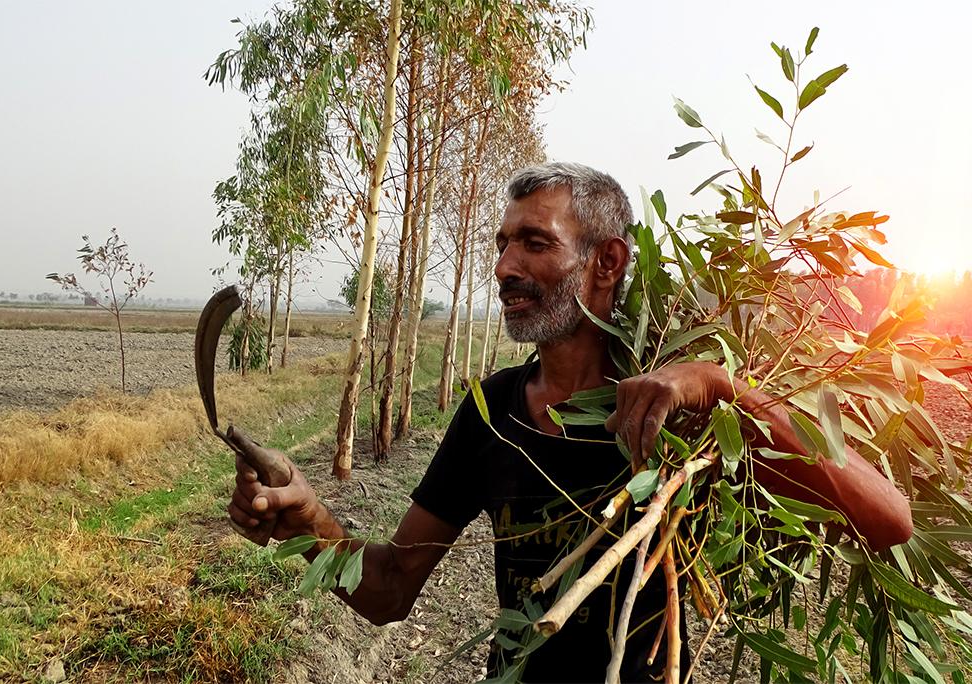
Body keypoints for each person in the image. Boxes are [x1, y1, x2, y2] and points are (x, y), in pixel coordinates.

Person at [226, 162, 913, 683]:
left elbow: (888, 521)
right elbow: (390, 590)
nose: (503, 267)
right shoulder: (489, 414)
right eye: (502, 244)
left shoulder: (689, 431)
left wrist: (719, 385)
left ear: (606, 263)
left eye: (534, 243)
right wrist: (309, 520)